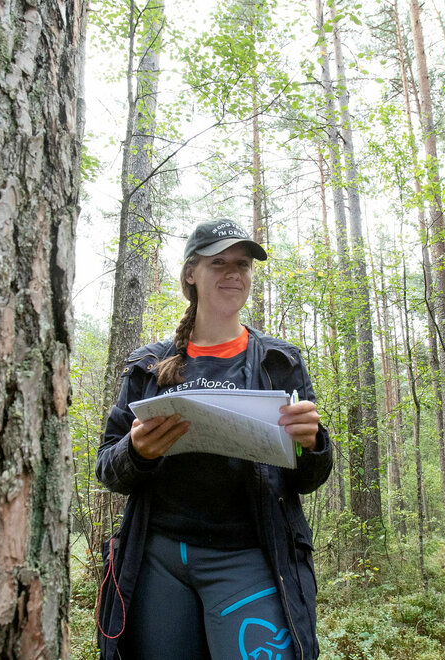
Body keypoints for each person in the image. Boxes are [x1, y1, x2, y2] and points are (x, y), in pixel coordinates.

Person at [96, 218, 332, 660]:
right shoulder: (149, 365)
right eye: (218, 262)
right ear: (191, 273)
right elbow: (108, 466)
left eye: (241, 264)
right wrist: (137, 452)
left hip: (248, 555)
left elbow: (307, 478)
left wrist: (313, 443)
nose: (233, 274)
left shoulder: (279, 361)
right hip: (159, 559)